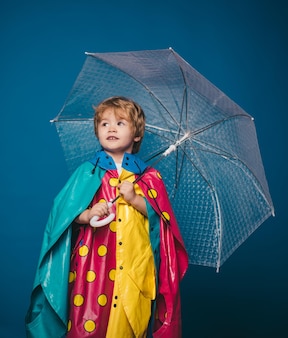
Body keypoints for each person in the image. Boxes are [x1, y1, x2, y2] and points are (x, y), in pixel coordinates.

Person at [25, 96, 188, 338]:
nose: (111, 128)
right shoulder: (88, 172)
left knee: (129, 321)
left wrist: (134, 198)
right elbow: (63, 215)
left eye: (121, 123)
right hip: (94, 265)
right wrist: (88, 214)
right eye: (104, 124)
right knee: (88, 320)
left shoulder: (149, 177)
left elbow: (163, 221)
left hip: (134, 265)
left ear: (137, 135)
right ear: (97, 131)